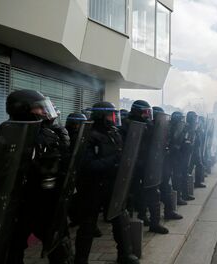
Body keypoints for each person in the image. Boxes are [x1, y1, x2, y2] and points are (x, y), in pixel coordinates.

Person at [5, 90, 74, 264]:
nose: (44, 112)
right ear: (23, 109)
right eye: (39, 108)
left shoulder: (49, 134)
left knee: (59, 246)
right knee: (11, 249)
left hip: (46, 201)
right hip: (18, 203)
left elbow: (64, 162)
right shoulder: (6, 135)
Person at [74, 101, 140, 264]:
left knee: (120, 220)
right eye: (111, 115)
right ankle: (80, 260)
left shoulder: (114, 133)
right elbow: (87, 165)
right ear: (101, 116)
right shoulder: (88, 135)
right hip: (93, 187)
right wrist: (114, 160)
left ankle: (124, 254)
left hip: (112, 184)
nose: (114, 118)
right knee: (88, 226)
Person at [121, 100, 169, 234]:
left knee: (153, 193)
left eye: (149, 113)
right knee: (132, 196)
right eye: (145, 112)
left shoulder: (149, 125)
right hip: (132, 167)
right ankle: (131, 223)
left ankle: (155, 223)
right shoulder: (126, 125)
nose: (148, 115)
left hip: (148, 165)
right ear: (137, 112)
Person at [153, 106, 183, 220]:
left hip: (163, 163)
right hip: (151, 167)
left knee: (166, 188)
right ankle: (146, 218)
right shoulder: (149, 129)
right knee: (151, 194)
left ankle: (168, 212)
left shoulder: (164, 129)